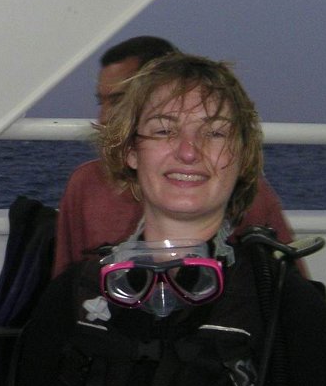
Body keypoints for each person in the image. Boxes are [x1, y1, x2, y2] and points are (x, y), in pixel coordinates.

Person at [13, 53, 326, 386]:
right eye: (164, 130)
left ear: (241, 158)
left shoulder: (285, 305)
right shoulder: (72, 299)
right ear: (130, 151)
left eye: (215, 133)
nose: (189, 150)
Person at [53, 36, 294, 278]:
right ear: (131, 150)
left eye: (119, 100)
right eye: (164, 130)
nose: (104, 116)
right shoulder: (86, 186)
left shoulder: (248, 196)